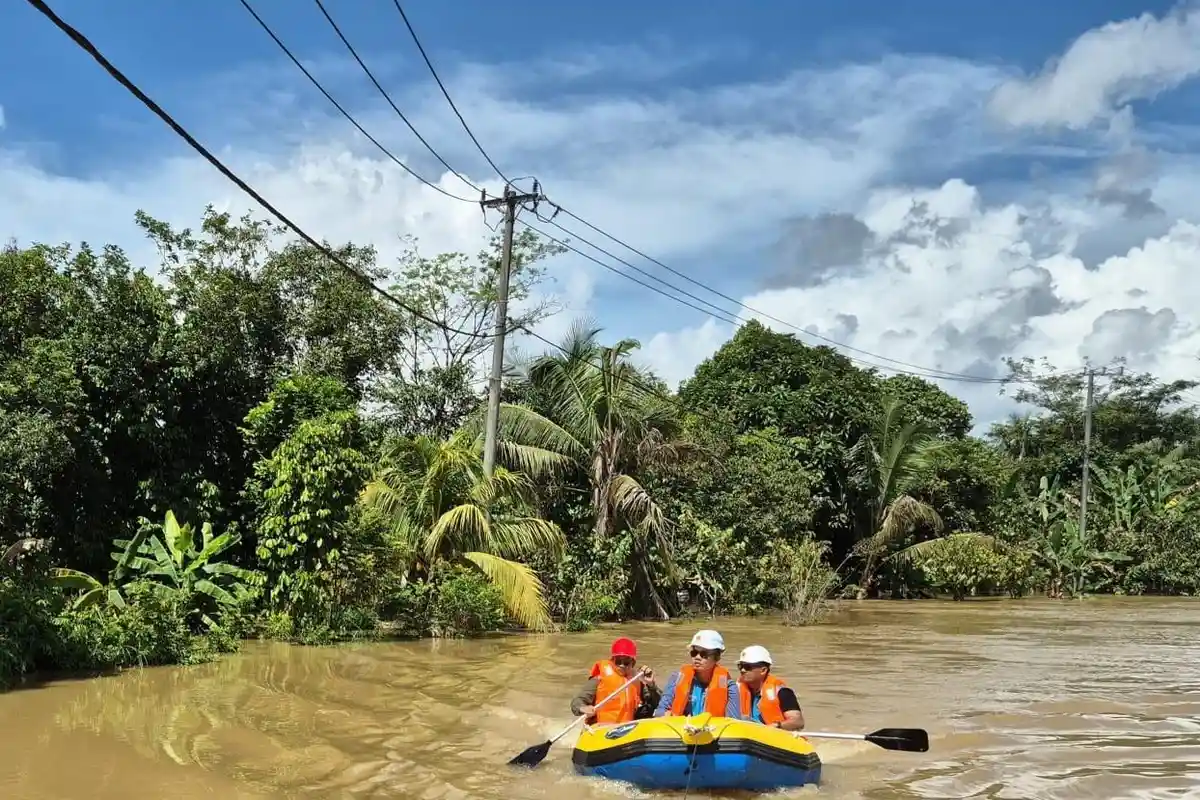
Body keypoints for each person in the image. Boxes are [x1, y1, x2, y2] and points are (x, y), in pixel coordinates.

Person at [571, 637, 661, 724]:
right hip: (602, 729)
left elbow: (659, 703)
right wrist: (583, 708)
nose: (622, 665)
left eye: (626, 662)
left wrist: (651, 685)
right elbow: (577, 702)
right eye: (618, 661)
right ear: (612, 660)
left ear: (633, 663)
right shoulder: (599, 678)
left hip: (626, 728)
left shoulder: (636, 681)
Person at [654, 629, 739, 718]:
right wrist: (666, 714)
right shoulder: (677, 678)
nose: (697, 657)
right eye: (694, 653)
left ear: (717, 657)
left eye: (704, 654)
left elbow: (734, 722)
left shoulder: (729, 687)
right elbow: (660, 711)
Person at [734, 645, 805, 731]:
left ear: (763, 670)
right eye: (740, 666)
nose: (742, 670)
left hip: (777, 736)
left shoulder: (782, 692)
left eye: (747, 667)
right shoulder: (735, 689)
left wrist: (776, 726)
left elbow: (798, 722)